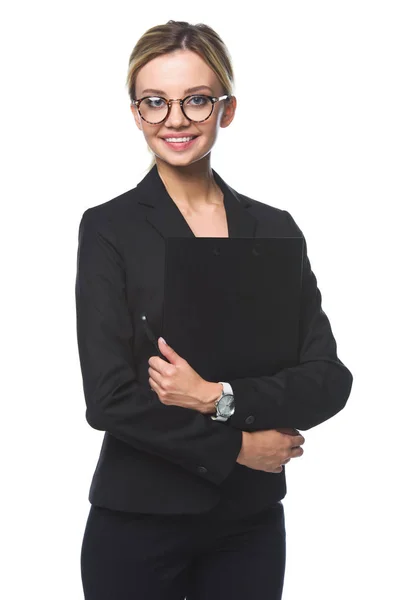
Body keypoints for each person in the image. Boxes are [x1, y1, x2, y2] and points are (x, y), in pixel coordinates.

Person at [76, 20, 353, 600]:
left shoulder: (274, 230)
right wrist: (239, 446)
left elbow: (327, 379)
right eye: (155, 102)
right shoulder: (110, 229)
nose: (175, 119)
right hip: (139, 521)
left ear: (226, 109)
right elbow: (110, 399)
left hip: (247, 527)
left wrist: (217, 396)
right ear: (136, 113)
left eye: (196, 100)